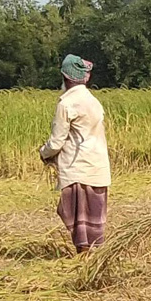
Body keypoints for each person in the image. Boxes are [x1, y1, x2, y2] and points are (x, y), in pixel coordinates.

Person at [39, 54, 111, 254]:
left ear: (66, 77)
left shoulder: (66, 104)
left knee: (77, 219)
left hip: (77, 168)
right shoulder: (94, 101)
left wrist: (44, 153)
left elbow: (56, 142)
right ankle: (90, 260)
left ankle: (84, 259)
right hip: (97, 168)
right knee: (92, 220)